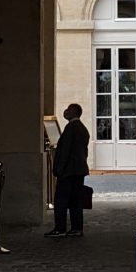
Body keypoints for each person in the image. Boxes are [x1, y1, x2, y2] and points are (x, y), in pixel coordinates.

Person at [45, 102, 90, 238]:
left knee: (61, 200)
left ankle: (60, 228)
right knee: (76, 201)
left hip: (68, 171)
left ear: (75, 112)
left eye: (69, 110)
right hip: (78, 170)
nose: (66, 112)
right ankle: (76, 228)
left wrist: (58, 169)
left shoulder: (71, 128)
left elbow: (65, 151)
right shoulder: (82, 128)